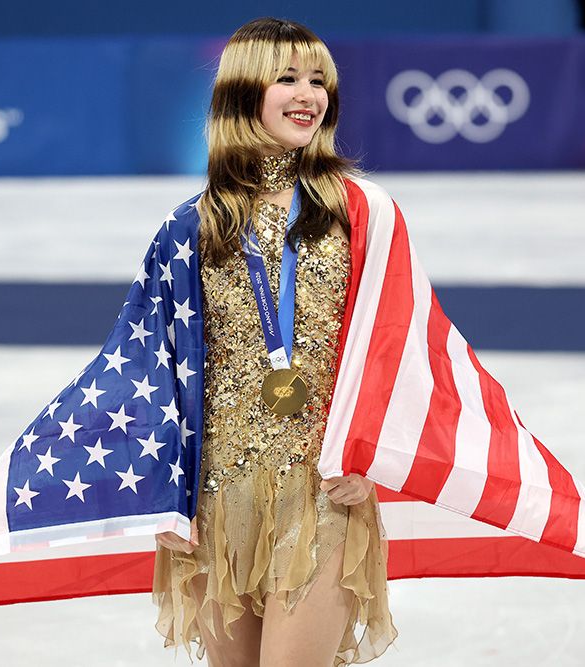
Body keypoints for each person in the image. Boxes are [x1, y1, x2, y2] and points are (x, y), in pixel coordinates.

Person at [150, 17, 398, 667]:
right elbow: (160, 370)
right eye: (287, 77)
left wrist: (368, 452)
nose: (308, 93)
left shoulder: (361, 212)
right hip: (217, 491)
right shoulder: (190, 228)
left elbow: (395, 346)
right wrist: (167, 493)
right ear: (240, 90)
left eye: (318, 80)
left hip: (324, 485)